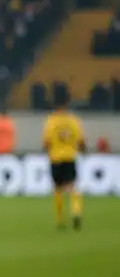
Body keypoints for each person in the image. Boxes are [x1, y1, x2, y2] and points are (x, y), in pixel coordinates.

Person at [42, 96, 85, 230]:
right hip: (70, 157)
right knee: (72, 187)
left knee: (57, 189)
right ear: (67, 104)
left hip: (56, 158)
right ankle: (76, 211)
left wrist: (48, 150)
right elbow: (81, 142)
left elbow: (46, 142)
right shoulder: (73, 121)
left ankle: (60, 220)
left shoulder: (51, 121)